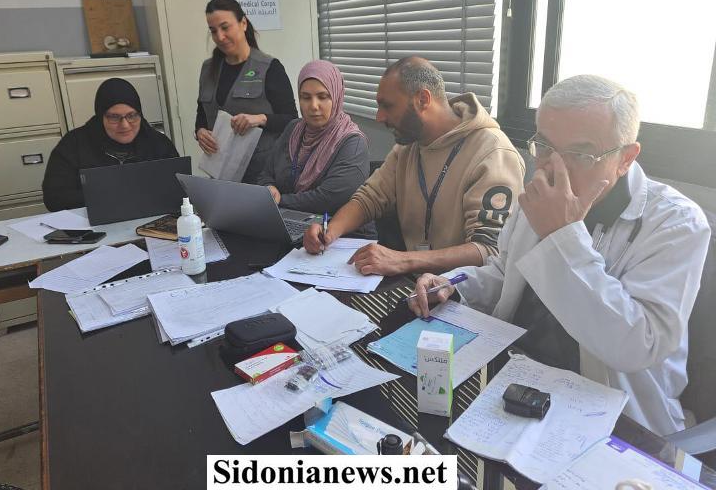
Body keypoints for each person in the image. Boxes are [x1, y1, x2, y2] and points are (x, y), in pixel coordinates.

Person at [412, 75, 711, 436]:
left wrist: (562, 235)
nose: (554, 169)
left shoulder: (676, 223)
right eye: (544, 147)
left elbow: (637, 344)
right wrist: (454, 284)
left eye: (581, 155)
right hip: (516, 380)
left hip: (610, 415)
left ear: (625, 158)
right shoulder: (538, 196)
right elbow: (504, 273)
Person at [303, 56, 525, 276]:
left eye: (387, 106)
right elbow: (368, 199)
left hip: (461, 291)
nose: (379, 117)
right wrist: (329, 232)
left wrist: (403, 260)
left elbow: (489, 250)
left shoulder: (493, 153)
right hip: (417, 284)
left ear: (423, 99)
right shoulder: (409, 146)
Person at [196, 0, 297, 183]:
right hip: (220, 172)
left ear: (243, 23)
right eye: (213, 31)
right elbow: (202, 113)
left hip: (262, 175)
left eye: (225, 27)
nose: (220, 37)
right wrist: (200, 132)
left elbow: (291, 120)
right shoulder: (208, 69)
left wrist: (260, 119)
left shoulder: (269, 67)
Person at [42, 78, 178, 211]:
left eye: (131, 116)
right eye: (114, 117)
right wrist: (111, 196)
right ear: (101, 117)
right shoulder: (73, 145)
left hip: (149, 217)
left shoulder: (158, 143)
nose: (125, 125)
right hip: (91, 219)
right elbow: (53, 198)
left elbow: (178, 187)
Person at [255, 60, 369, 215]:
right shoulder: (293, 129)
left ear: (336, 96)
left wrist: (279, 201)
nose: (314, 106)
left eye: (323, 97)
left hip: (334, 226)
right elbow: (266, 174)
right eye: (306, 97)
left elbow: (330, 199)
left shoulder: (352, 143)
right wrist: (269, 187)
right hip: (284, 218)